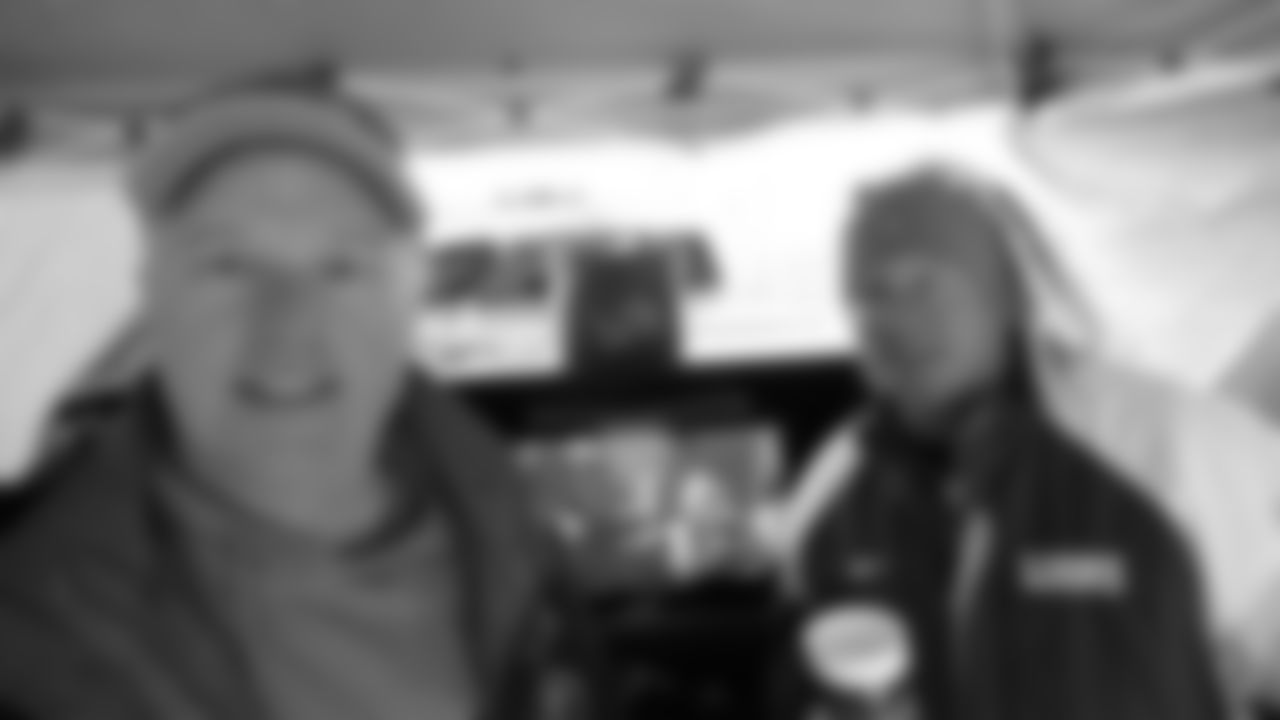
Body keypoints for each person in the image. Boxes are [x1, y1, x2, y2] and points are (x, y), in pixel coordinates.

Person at [0, 91, 572, 720]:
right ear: (151, 294)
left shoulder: (515, 537)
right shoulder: (30, 614)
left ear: (413, 291)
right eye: (226, 265)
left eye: (341, 267)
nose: (287, 330)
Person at [793, 165, 1232, 720]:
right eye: (871, 293)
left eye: (927, 284)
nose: (899, 319)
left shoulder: (1162, 446)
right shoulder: (833, 498)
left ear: (1003, 301)